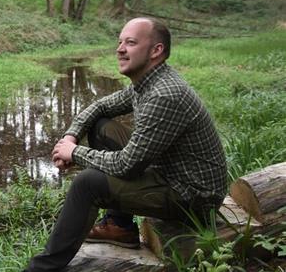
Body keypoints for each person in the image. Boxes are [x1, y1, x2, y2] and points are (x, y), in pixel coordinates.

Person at [24, 17, 227, 272]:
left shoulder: (164, 94)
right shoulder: (147, 81)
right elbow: (100, 106)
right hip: (171, 171)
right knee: (101, 126)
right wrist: (71, 136)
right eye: (120, 41)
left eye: (130, 42)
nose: (120, 48)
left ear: (156, 51)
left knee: (87, 183)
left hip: (194, 196)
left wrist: (75, 153)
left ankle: (41, 268)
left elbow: (127, 165)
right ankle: (120, 227)